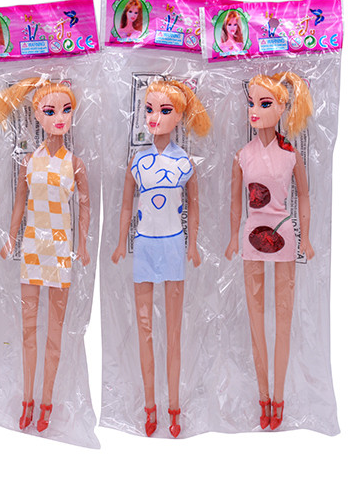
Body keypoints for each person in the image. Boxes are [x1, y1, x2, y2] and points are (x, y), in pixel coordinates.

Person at [0, 78, 91, 432]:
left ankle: (46, 400)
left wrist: (82, 244)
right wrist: (11, 238)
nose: (59, 118)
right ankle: (27, 399)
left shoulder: (74, 163)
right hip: (33, 245)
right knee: (29, 330)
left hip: (60, 249)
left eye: (66, 110)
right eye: (50, 111)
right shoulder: (29, 162)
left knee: (55, 332)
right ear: (36, 115)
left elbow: (85, 205)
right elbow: (19, 203)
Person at [112, 80, 210, 437]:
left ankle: (174, 406)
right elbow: (127, 204)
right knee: (145, 328)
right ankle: (150, 405)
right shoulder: (138, 161)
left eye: (165, 110)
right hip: (144, 245)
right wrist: (121, 243)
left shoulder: (184, 162)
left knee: (173, 331)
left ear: (180, 116)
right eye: (150, 109)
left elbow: (194, 207)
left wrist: (193, 244)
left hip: (172, 244)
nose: (155, 117)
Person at [225, 72, 314, 430]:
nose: (255, 110)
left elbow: (304, 195)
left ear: (282, 108)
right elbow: (235, 201)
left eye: (264, 104)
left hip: (284, 235)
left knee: (283, 320)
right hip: (251, 236)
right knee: (256, 319)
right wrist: (233, 236)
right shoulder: (242, 156)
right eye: (252, 103)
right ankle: (263, 396)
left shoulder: (290, 155)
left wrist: (305, 237)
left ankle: (279, 396)